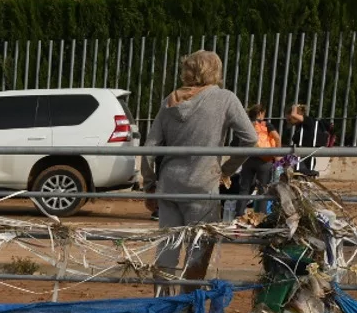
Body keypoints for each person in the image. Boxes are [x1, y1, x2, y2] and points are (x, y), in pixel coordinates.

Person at [141, 50, 256, 290]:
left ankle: (162, 305)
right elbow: (250, 139)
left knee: (167, 250)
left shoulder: (169, 100)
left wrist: (150, 184)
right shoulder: (225, 99)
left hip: (169, 186)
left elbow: (150, 147)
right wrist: (226, 170)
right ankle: (189, 307)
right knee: (198, 249)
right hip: (203, 185)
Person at [280, 103, 335, 178]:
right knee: (278, 164)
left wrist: (294, 107)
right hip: (299, 158)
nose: (287, 121)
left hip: (303, 161)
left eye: (289, 119)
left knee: (279, 165)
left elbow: (293, 114)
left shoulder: (308, 121)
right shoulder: (300, 126)